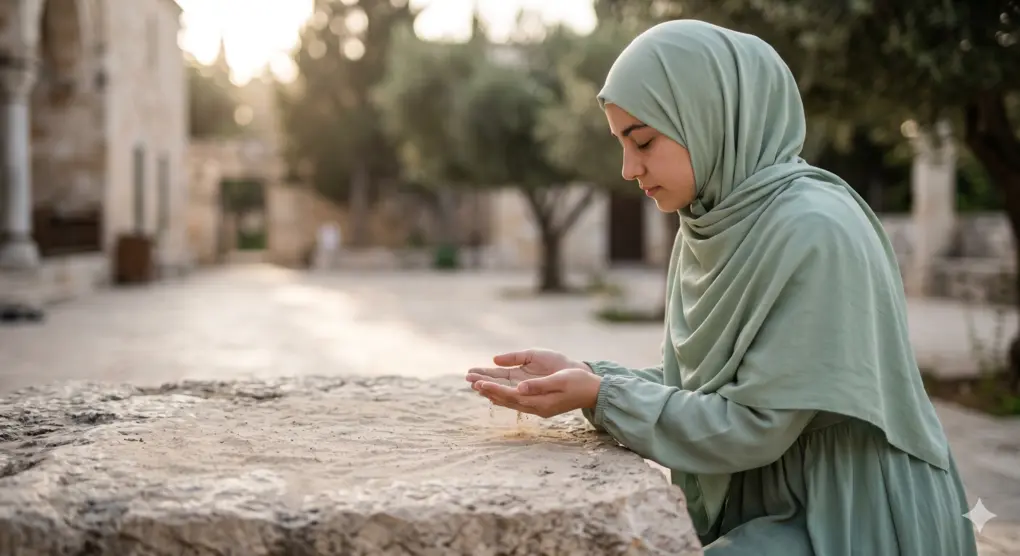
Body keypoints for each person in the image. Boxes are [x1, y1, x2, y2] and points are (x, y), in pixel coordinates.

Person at [465, 19, 979, 556]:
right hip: (770, 502)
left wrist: (604, 395)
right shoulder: (710, 227)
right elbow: (705, 384)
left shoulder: (815, 229)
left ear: (711, 118)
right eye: (621, 143)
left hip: (851, 513)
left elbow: (756, 423)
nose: (627, 168)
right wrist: (590, 377)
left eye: (643, 140)